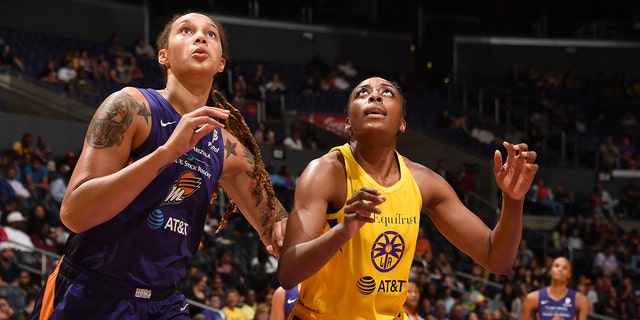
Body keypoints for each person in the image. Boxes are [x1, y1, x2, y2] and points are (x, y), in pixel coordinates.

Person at [30, 12, 288, 319]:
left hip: (163, 303)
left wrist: (286, 227)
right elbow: (74, 213)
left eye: (211, 34)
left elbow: (280, 229)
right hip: (91, 292)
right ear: (163, 56)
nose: (200, 37)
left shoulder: (228, 147)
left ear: (221, 63)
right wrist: (166, 153)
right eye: (186, 31)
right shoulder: (131, 107)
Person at [277, 76, 539, 319]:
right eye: (363, 93)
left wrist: (513, 200)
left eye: (386, 93)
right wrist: (343, 231)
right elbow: (288, 273)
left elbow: (497, 259)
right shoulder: (325, 172)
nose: (375, 97)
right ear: (347, 123)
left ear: (402, 123)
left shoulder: (424, 182)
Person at [519, 256, 590, 320]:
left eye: (564, 268)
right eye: (556, 266)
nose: (560, 269)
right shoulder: (532, 298)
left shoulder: (581, 300)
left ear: (569, 274)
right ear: (550, 270)